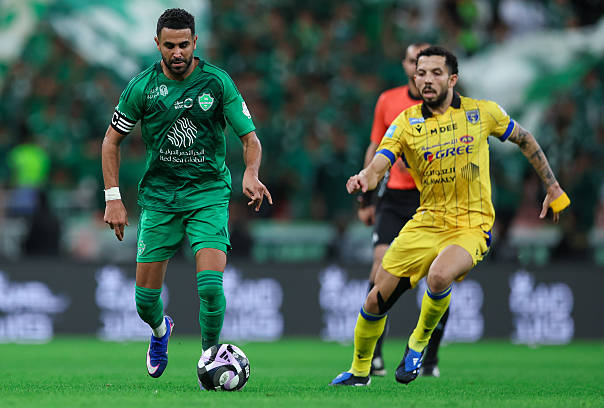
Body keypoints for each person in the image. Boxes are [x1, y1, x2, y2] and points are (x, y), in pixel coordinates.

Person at [330, 46, 570, 386]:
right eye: (421, 73)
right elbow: (380, 163)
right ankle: (359, 372)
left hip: (471, 225)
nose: (427, 80)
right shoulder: (406, 122)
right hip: (426, 223)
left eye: (436, 73)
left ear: (452, 79)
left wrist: (553, 186)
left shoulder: (482, 112)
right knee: (373, 301)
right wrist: (364, 178)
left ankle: (418, 344)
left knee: (439, 276)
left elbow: (524, 138)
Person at [101, 8, 272, 379]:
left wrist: (251, 173)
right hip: (160, 199)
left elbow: (250, 139)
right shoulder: (142, 87)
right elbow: (111, 141)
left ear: (195, 42)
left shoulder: (217, 83)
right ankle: (160, 330)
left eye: (183, 44)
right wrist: (113, 197)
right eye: (169, 46)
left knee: (210, 286)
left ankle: (210, 356)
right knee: (145, 302)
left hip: (207, 194)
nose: (177, 52)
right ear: (157, 44)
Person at [358, 42, 448, 378]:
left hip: (433, 198)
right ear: (406, 65)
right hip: (394, 197)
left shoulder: (447, 105)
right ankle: (374, 356)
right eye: (414, 63)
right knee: (380, 267)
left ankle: (430, 358)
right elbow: (376, 146)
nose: (419, 71)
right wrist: (366, 198)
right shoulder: (388, 100)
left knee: (438, 276)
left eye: (428, 67)